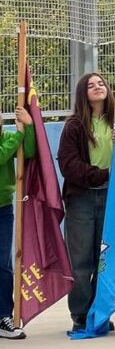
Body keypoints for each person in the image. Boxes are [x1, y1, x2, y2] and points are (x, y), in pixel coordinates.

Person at [57, 73, 115, 332]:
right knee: (81, 262)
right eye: (91, 85)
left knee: (104, 259)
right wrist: (103, 175)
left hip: (110, 197)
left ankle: (99, 311)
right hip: (81, 198)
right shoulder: (75, 126)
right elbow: (69, 166)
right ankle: (80, 313)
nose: (97, 87)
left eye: (101, 83)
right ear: (83, 93)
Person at [0, 106, 33, 340]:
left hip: (3, 209)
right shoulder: (12, 139)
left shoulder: (10, 137)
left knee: (3, 265)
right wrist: (20, 135)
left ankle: (3, 316)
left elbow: (28, 151)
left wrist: (28, 127)